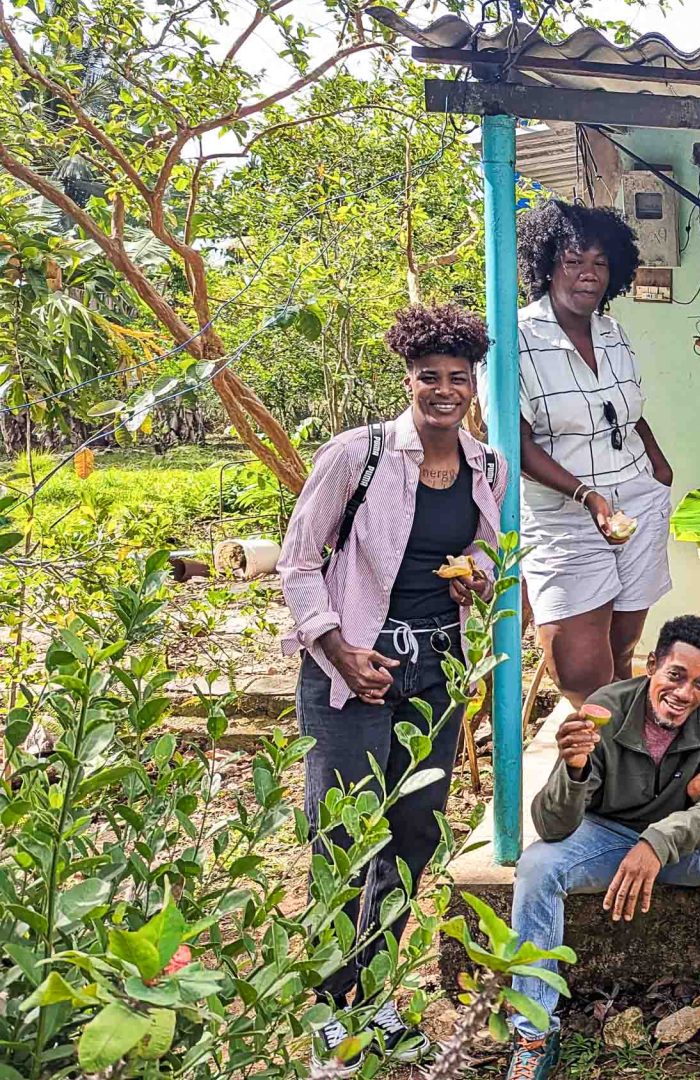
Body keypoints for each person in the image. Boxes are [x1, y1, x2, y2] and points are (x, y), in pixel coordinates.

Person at [280, 302, 503, 1065]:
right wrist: (338, 649)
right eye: (428, 378)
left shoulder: (487, 464)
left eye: (457, 378)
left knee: (411, 838)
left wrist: (475, 574)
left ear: (473, 384)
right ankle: (325, 1017)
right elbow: (299, 561)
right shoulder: (357, 454)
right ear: (407, 381)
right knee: (342, 838)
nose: (443, 390)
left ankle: (371, 1002)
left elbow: (485, 548)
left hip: (435, 672)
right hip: (354, 673)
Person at [502, 617, 700, 1080]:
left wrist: (659, 840)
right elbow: (551, 825)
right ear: (652, 665)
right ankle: (535, 1029)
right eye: (676, 675)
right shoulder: (606, 709)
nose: (685, 694)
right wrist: (574, 771)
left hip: (681, 843)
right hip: (608, 836)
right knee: (538, 866)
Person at [499, 199, 675, 708]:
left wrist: (660, 468)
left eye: (600, 263)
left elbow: (629, 411)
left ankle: (619, 761)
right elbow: (516, 441)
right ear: (548, 262)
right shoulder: (515, 339)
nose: (588, 274)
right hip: (565, 513)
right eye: (574, 260)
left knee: (623, 648)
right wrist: (587, 494)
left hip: (636, 501)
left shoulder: (612, 332)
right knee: (580, 670)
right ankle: (594, 760)